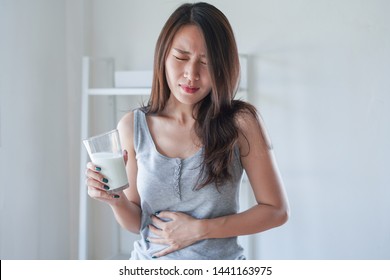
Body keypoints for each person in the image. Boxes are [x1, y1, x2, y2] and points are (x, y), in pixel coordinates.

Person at [85, 2, 289, 260]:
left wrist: (200, 230)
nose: (191, 74)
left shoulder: (241, 123)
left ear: (222, 66)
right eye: (181, 57)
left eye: (206, 62)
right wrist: (115, 199)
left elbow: (276, 210)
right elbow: (138, 223)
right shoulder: (132, 126)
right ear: (163, 56)